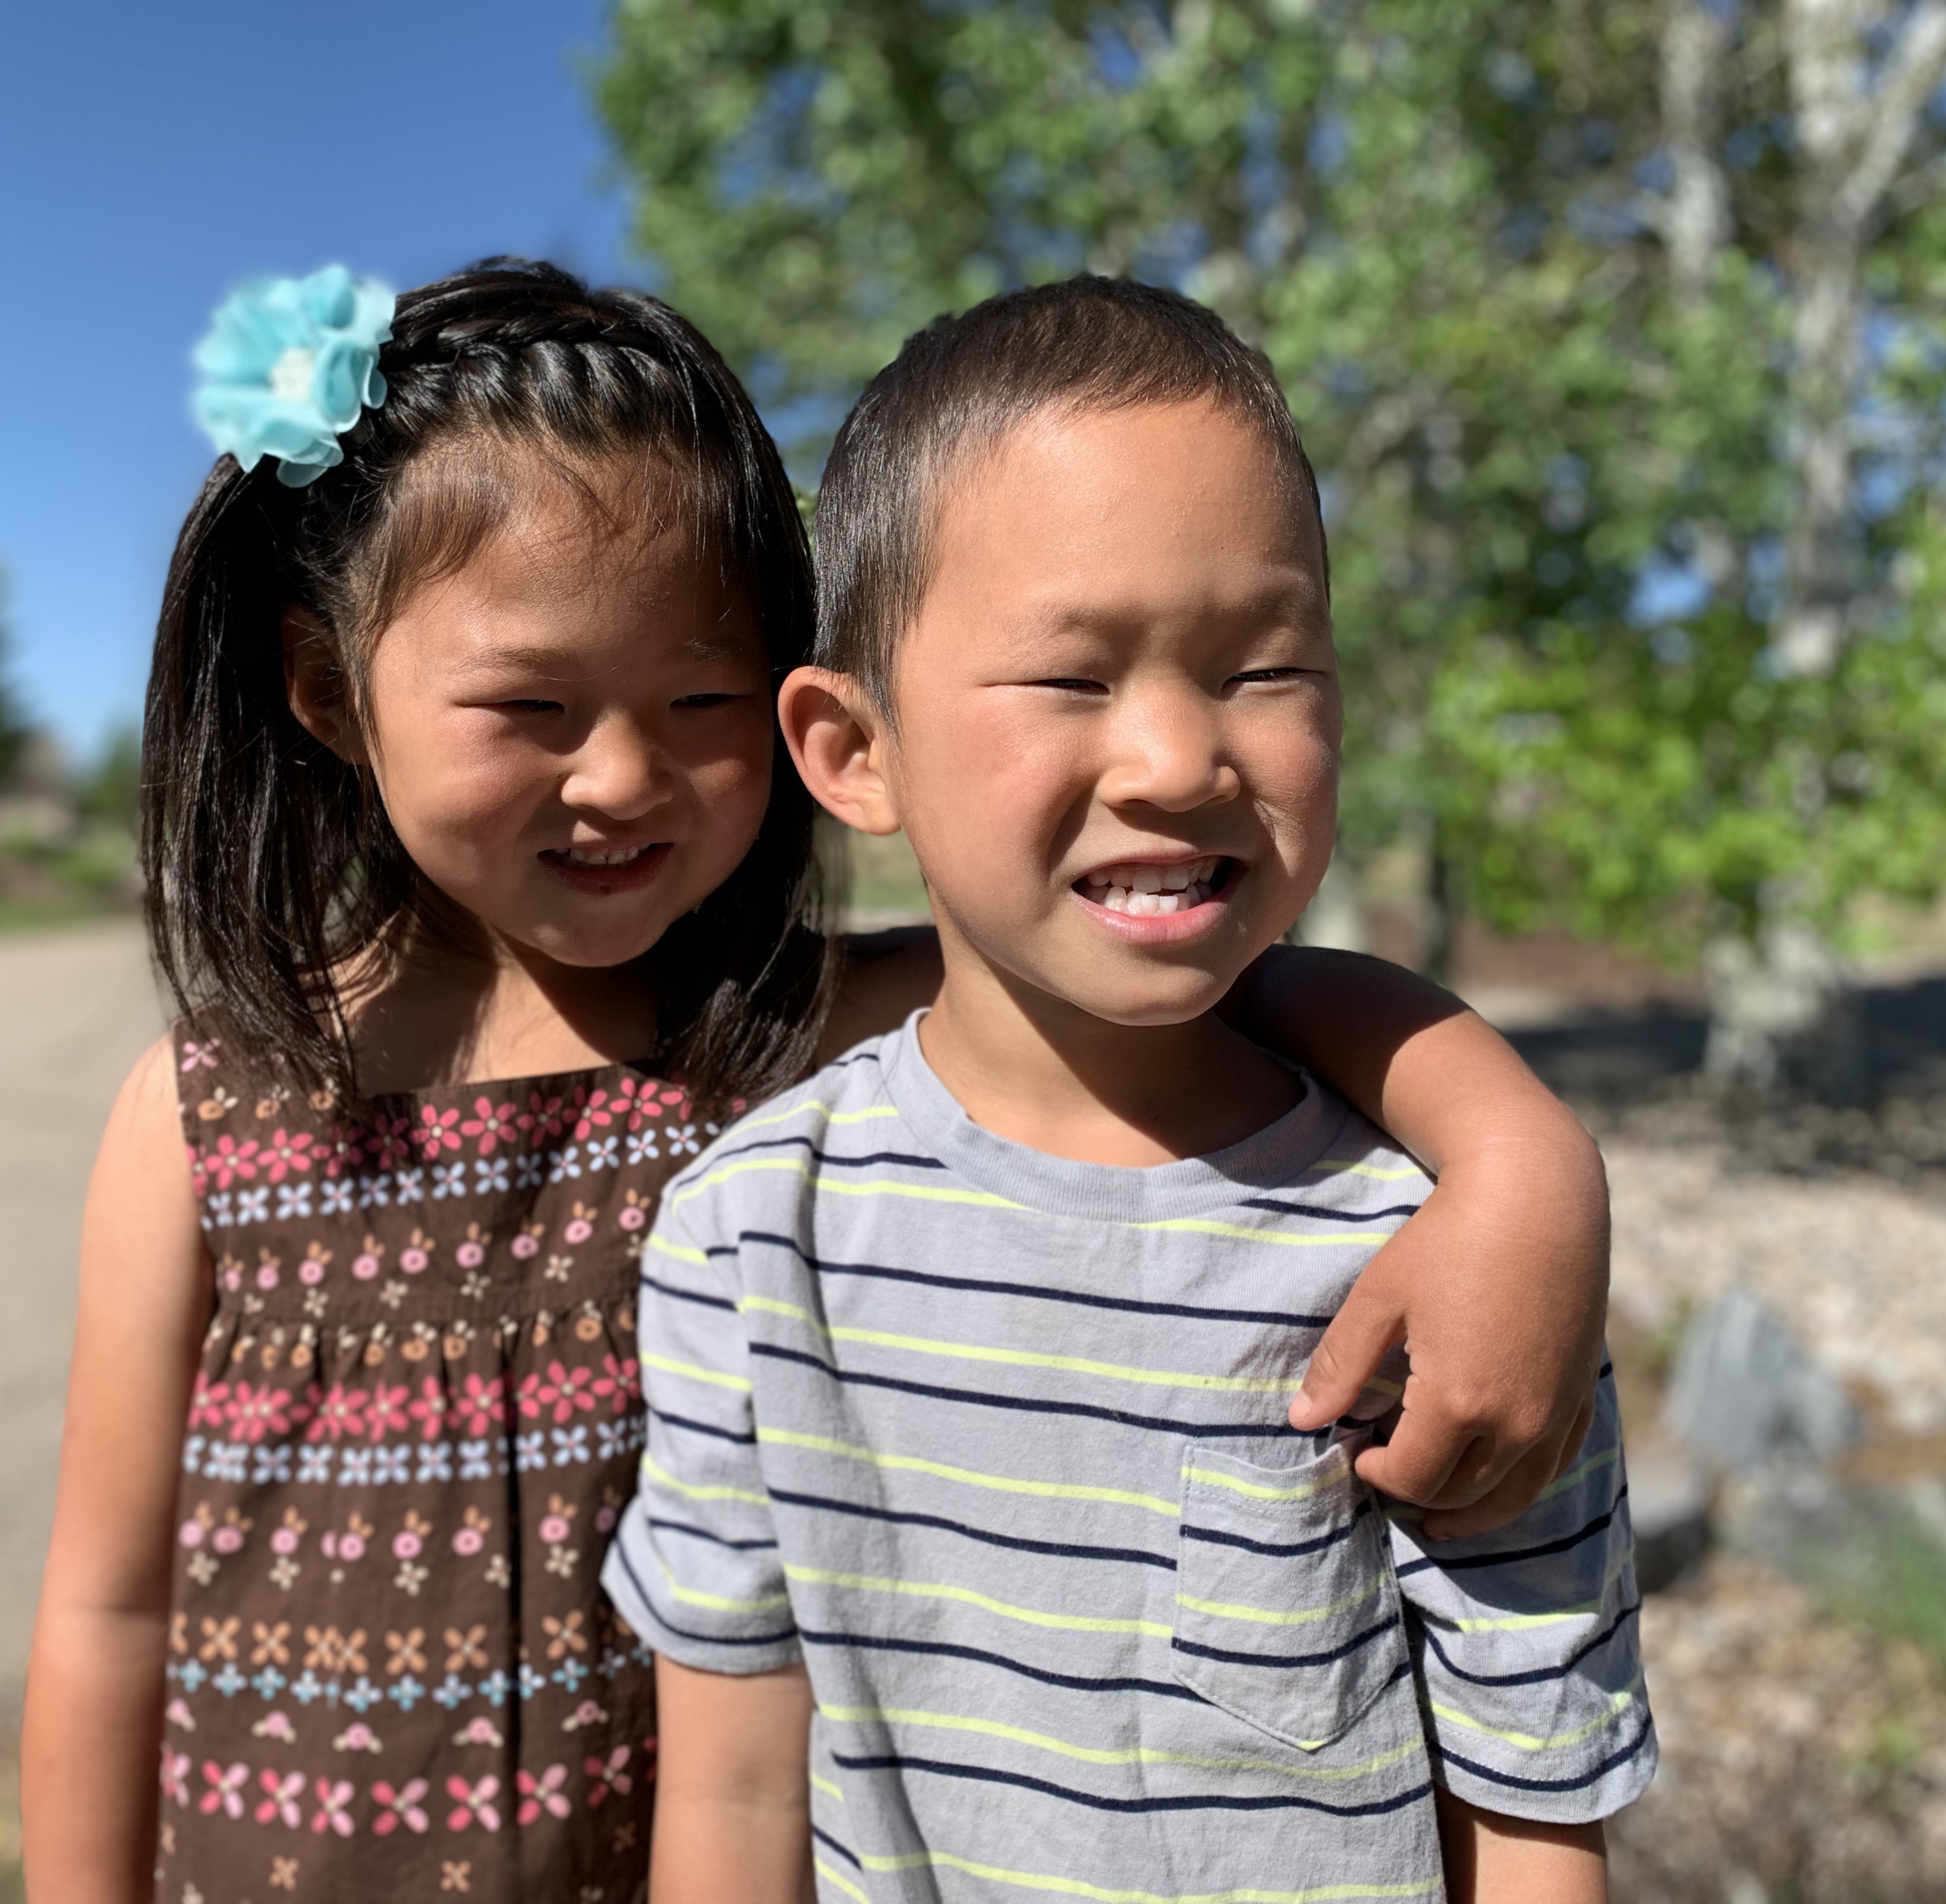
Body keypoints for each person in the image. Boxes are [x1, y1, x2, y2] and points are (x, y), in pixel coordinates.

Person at [23, 258, 1619, 1904]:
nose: (623, 773)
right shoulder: (209, 1114)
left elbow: (1228, 976)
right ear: (327, 693)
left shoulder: (786, 1030)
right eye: (531, 704)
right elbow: (105, 1611)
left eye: (699, 700)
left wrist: (1522, 1165)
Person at [608, 277, 1651, 1904]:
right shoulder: (750, 1246)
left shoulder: (1447, 1262)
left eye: (1262, 668)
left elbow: (1532, 1824)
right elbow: (735, 1805)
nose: (1178, 759)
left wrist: (1522, 1164)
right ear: (855, 752)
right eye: (1074, 677)